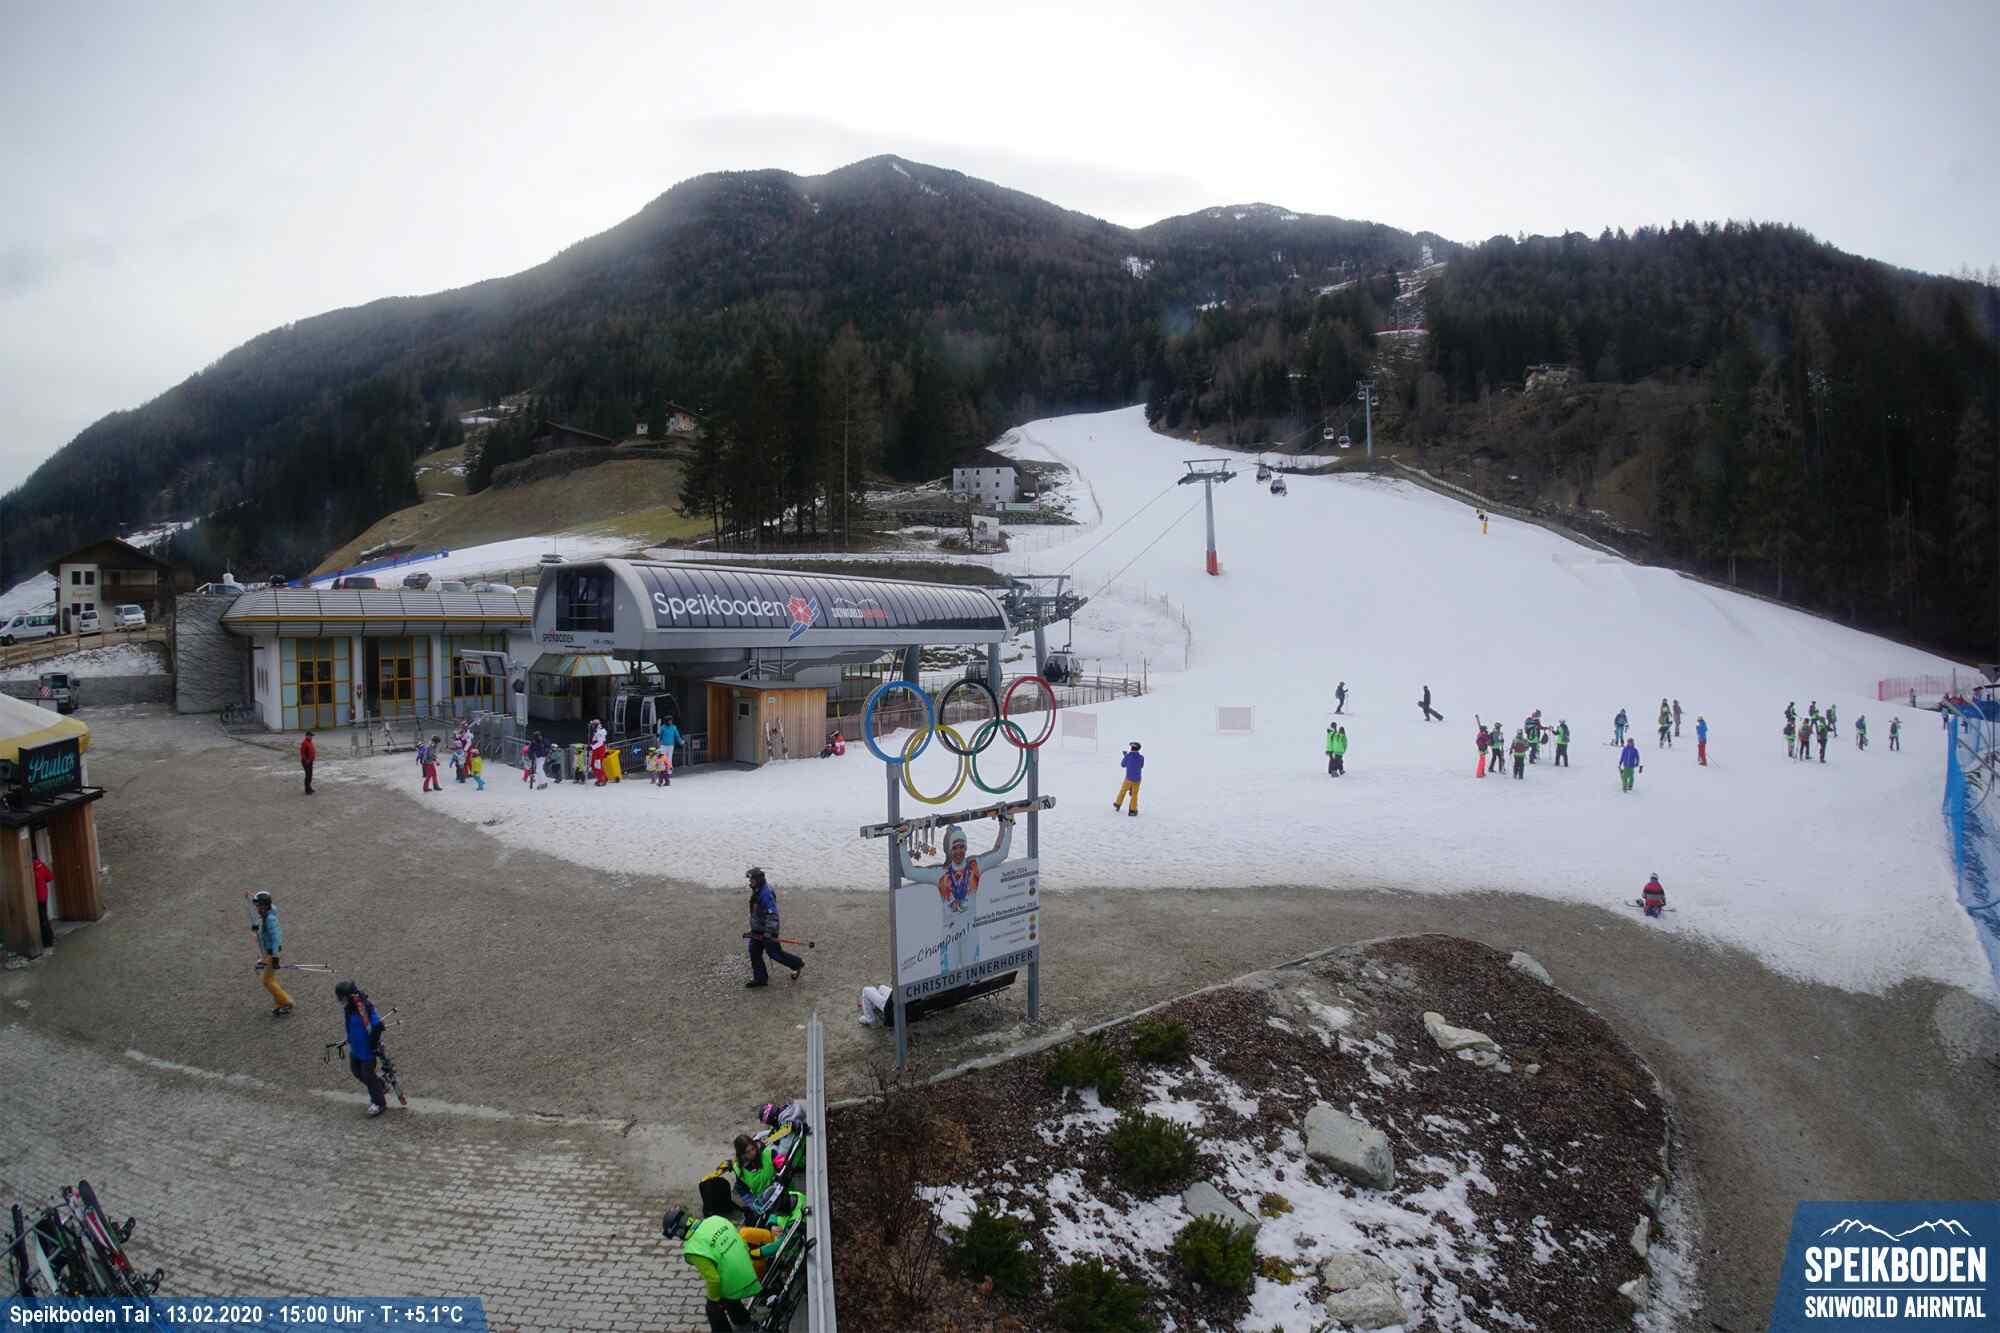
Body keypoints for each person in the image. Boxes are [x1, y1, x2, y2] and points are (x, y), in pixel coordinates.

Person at [896, 820, 1014, 976]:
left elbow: (1001, 854)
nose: (959, 851)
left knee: (972, 974)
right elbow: (910, 872)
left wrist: (1008, 825)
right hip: (950, 934)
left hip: (971, 930)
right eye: (955, 847)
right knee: (949, 975)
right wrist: (902, 841)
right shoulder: (940, 874)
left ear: (966, 847)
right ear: (949, 850)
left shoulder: (975, 866)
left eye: (962, 847)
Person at [664, 1194, 777, 1333]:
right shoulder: (715, 1219)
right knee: (726, 1291)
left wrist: (714, 1300)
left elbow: (713, 1279)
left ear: (679, 1231)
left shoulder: (693, 1249)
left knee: (712, 1306)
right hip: (751, 1270)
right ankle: (742, 1320)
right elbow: (742, 1242)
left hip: (739, 1283)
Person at [334, 980, 388, 1117]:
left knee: (368, 1076)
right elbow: (349, 1024)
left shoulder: (365, 1008)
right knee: (356, 1072)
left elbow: (378, 1025)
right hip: (356, 1048)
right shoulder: (349, 1008)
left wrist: (373, 1043)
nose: (340, 1001)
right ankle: (380, 1086)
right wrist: (349, 1037)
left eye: (342, 998)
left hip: (367, 1051)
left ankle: (379, 1103)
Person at [744, 868, 805, 988]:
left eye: (752, 879)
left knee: (775, 954)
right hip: (758, 930)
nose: (750, 881)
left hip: (768, 931)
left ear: (758, 880)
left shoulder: (766, 894)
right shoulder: (757, 890)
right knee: (754, 952)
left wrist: (768, 933)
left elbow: (772, 915)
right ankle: (760, 978)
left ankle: (797, 963)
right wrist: (753, 929)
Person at [250, 890, 293, 1016]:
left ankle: (286, 1002)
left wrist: (275, 958)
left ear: (265, 906)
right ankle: (280, 1002)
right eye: (256, 906)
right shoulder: (268, 912)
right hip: (266, 952)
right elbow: (271, 905)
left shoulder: (270, 920)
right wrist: (253, 896)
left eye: (259, 906)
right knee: (269, 979)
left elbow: (275, 939)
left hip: (271, 953)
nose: (257, 909)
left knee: (267, 980)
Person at [32, 852, 55, 951]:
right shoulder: (41, 865)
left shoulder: (30, 869)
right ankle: (50, 937)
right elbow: (50, 877)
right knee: (44, 917)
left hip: (36, 897)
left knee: (42, 919)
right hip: (44, 895)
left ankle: (47, 941)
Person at [1114, 741, 1144, 815]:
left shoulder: (1128, 756)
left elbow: (1123, 764)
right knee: (1134, 794)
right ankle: (1132, 810)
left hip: (1128, 778)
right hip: (1137, 779)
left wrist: (1125, 756)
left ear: (1131, 748)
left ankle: (1118, 803)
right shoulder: (1141, 757)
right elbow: (1141, 765)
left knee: (1123, 791)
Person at [589, 719, 608, 786]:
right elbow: (594, 741)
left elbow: (600, 743)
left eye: (593, 725)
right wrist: (590, 746)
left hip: (599, 750)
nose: (592, 726)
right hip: (596, 750)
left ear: (596, 725)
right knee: (593, 765)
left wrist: (592, 747)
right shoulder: (596, 731)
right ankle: (603, 777)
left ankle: (602, 779)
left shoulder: (600, 732)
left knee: (597, 765)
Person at [299, 730, 316, 795]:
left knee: (310, 775)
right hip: (306, 762)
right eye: (310, 736)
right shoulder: (304, 743)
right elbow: (302, 753)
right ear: (307, 736)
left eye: (311, 736)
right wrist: (306, 760)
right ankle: (307, 790)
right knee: (308, 775)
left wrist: (311, 759)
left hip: (310, 761)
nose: (311, 737)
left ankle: (309, 787)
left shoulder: (310, 742)